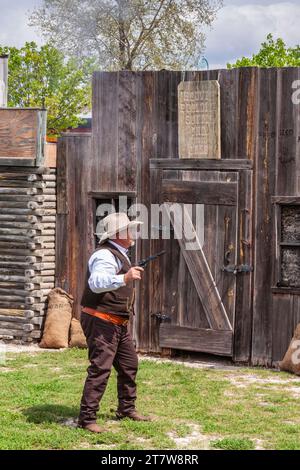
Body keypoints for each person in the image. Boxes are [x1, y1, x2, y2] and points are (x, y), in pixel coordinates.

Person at [78, 212, 151, 433]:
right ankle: (87, 419)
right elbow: (97, 282)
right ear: (118, 234)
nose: (133, 234)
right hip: (101, 320)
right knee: (100, 368)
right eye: (130, 230)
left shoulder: (121, 253)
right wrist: (124, 278)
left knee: (129, 365)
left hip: (117, 322)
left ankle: (126, 409)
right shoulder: (104, 256)